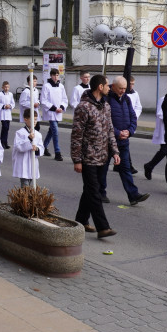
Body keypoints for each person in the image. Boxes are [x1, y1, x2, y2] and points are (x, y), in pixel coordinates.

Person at [71, 74, 120, 238]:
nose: (109, 88)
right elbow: (77, 135)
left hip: (102, 156)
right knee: (94, 192)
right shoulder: (83, 107)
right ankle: (103, 227)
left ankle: (81, 220)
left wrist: (115, 151)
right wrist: (77, 159)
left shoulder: (106, 106)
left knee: (91, 190)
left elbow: (110, 130)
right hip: (87, 157)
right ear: (100, 87)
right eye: (107, 85)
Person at [101, 76, 150, 206]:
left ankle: (133, 195)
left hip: (123, 141)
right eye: (121, 88)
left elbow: (133, 117)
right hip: (108, 141)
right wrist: (117, 132)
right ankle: (101, 193)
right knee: (103, 168)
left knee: (126, 168)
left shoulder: (126, 99)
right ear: (113, 86)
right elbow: (105, 121)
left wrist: (130, 131)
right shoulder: (106, 99)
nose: (123, 91)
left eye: (125, 88)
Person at [143, 80, 167, 180]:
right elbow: (160, 113)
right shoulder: (164, 99)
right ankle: (149, 166)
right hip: (165, 130)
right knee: (164, 150)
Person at [40, 68, 67, 161]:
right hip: (51, 112)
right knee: (55, 131)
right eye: (54, 75)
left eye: (57, 75)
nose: (56, 77)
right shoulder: (46, 86)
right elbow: (44, 100)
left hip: (58, 112)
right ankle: (57, 152)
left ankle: (43, 147)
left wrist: (62, 107)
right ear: (51, 76)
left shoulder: (61, 86)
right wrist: (54, 108)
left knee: (51, 131)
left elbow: (64, 99)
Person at [12, 108, 41, 187]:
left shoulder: (38, 134)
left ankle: (26, 199)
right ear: (25, 119)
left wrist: (37, 149)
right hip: (23, 163)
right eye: (32, 119)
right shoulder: (20, 133)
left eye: (36, 119)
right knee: (25, 186)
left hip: (33, 163)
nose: (35, 121)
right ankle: (25, 199)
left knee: (31, 184)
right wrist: (29, 139)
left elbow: (41, 147)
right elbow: (18, 147)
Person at [0, 81, 14, 149]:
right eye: (5, 87)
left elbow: (13, 103)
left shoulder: (10, 94)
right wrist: (3, 106)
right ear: (2, 87)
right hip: (2, 113)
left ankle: (5, 142)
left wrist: (10, 106)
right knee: (5, 127)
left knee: (7, 128)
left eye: (8, 87)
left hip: (8, 113)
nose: (6, 88)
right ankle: (2, 142)